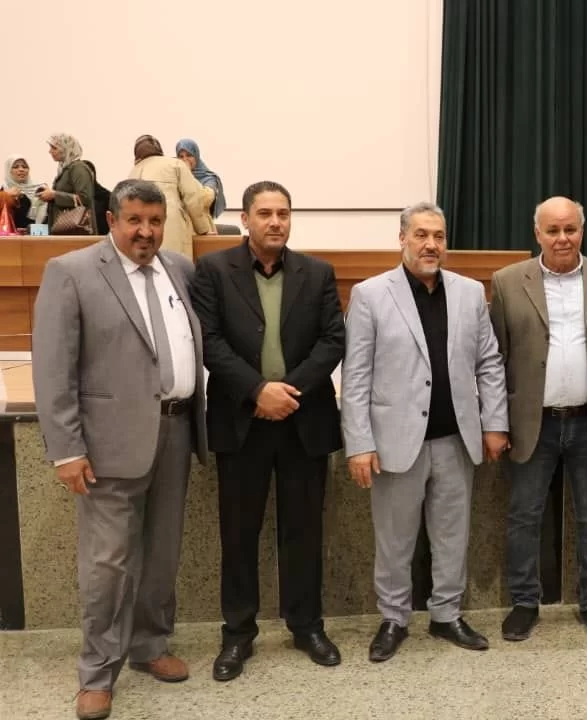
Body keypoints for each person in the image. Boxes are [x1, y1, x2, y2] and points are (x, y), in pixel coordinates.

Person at [31, 179, 209, 720]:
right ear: (111, 220)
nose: (146, 232)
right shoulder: (72, 272)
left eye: (155, 221)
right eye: (135, 220)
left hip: (175, 432)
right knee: (108, 563)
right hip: (107, 444)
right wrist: (66, 449)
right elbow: (53, 368)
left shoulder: (180, 269)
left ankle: (150, 645)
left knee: (162, 553)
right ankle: (97, 671)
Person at [190, 181, 345, 681]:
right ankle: (237, 634)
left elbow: (332, 340)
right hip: (242, 422)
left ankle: (307, 626)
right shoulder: (214, 270)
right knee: (239, 535)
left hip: (304, 420)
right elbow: (208, 341)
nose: (275, 222)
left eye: (283, 213)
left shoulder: (317, 273)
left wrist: (287, 392)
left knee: (304, 531)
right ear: (246, 218)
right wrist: (257, 390)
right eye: (265, 213)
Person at [341, 202, 508, 663]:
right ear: (402, 239)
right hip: (395, 442)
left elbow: (489, 362)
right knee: (395, 539)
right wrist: (359, 444)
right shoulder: (371, 295)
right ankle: (394, 618)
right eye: (421, 235)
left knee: (453, 535)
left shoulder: (470, 293)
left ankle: (446, 614)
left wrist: (495, 422)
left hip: (456, 439)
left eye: (438, 236)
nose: (431, 244)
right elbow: (356, 375)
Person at [489, 196, 587, 642]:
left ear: (582, 230)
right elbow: (494, 361)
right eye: (553, 230)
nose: (562, 238)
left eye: (570, 229)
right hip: (533, 423)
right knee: (524, 517)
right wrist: (495, 422)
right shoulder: (507, 282)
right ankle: (523, 603)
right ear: (538, 234)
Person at [129, 135, 213, 258]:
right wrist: (203, 229)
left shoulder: (134, 171)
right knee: (174, 266)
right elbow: (193, 198)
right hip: (171, 227)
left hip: (141, 233)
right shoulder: (176, 164)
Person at [40, 133, 97, 234]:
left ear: (66, 149)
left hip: (78, 232)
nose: (50, 151)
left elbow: (85, 198)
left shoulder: (78, 168)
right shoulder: (65, 169)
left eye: (54, 148)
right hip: (65, 230)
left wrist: (54, 195)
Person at [176, 138, 226, 219]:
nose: (185, 160)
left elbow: (205, 199)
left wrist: (188, 175)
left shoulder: (209, 178)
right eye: (181, 156)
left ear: (196, 156)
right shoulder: (175, 177)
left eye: (189, 155)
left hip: (202, 223)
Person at [4, 156, 48, 228]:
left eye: (24, 167)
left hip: (39, 232)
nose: (21, 169)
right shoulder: (4, 191)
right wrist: (7, 196)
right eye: (16, 167)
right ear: (9, 171)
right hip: (11, 233)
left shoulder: (40, 188)